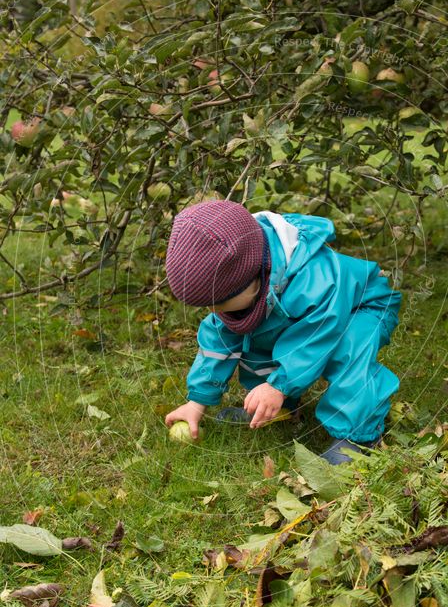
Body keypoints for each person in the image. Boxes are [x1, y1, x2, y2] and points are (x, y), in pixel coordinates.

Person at [163, 199, 401, 465]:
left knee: (348, 351)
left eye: (219, 304)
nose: (215, 311)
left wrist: (280, 384)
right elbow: (217, 343)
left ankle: (358, 435)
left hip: (358, 307)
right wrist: (196, 403)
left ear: (253, 282)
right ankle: (275, 407)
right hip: (307, 312)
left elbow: (316, 338)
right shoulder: (248, 282)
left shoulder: (315, 279)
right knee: (255, 335)